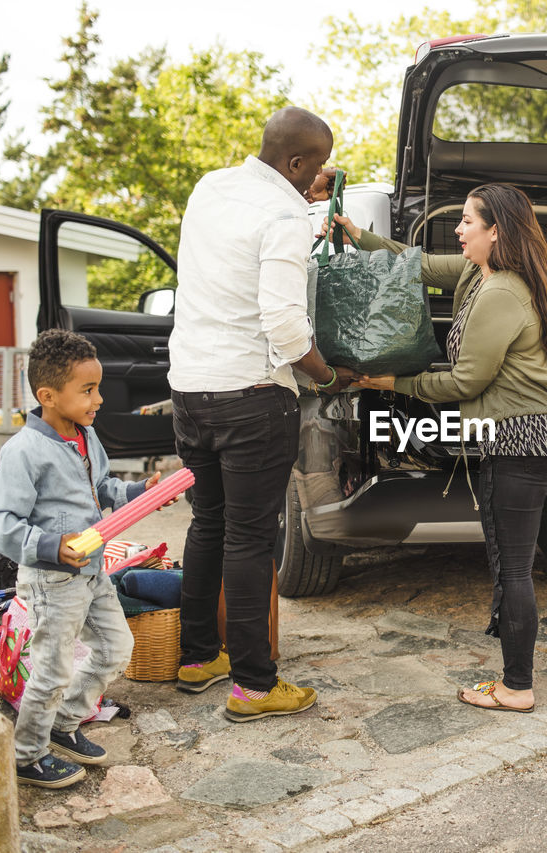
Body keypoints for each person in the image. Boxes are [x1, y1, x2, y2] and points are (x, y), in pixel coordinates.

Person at [327, 183, 547, 713]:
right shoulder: (478, 272)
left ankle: (516, 687)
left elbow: (463, 384)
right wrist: (358, 237)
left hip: (522, 442)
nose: (458, 230)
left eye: (466, 222)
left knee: (513, 566)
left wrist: (388, 383)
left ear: (495, 231)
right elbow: (416, 265)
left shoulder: (501, 292)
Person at [168, 106, 353, 722]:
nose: (321, 174)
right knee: (251, 539)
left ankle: (198, 657)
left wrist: (303, 193)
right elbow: (282, 322)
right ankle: (253, 684)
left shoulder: (212, 187)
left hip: (191, 389)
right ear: (297, 163)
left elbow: (249, 230)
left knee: (208, 525)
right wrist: (327, 377)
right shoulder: (283, 216)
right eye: (316, 164)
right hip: (252, 395)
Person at [0, 329, 166, 788]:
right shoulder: (25, 451)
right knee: (51, 668)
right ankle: (27, 755)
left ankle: (64, 723)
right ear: (48, 395)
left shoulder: (84, 436)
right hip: (52, 581)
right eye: (88, 390)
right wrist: (48, 545)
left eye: (97, 387)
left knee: (117, 648)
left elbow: (104, 489)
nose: (99, 398)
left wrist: (143, 492)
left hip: (93, 573)